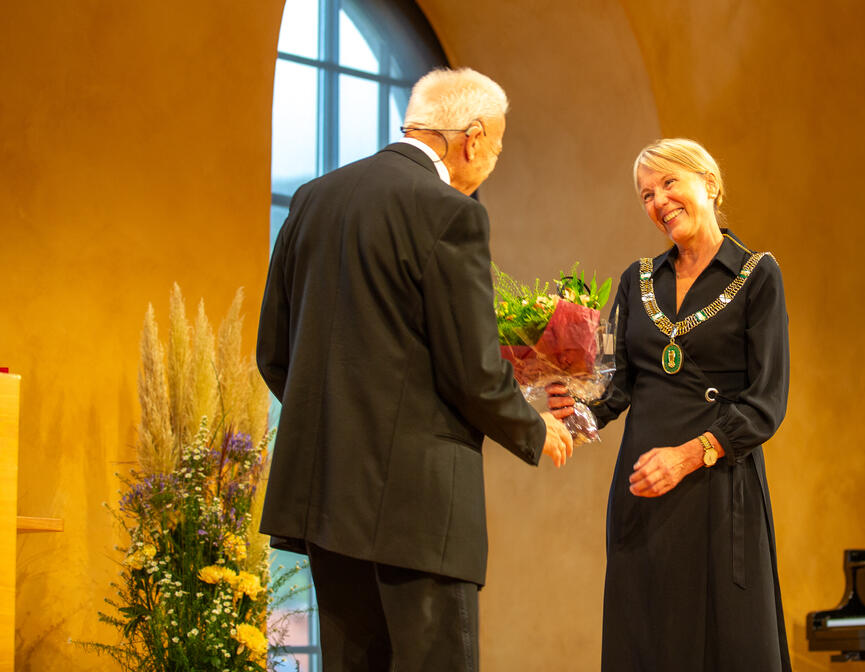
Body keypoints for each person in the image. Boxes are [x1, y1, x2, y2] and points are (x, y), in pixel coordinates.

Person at [257, 66, 573, 672]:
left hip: (326, 503)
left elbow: (274, 351)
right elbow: (471, 370)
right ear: (472, 138)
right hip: (418, 510)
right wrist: (534, 428)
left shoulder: (313, 199)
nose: (494, 160)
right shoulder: (450, 212)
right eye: (499, 146)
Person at [551, 138, 792, 670]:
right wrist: (567, 405)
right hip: (642, 488)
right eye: (645, 194)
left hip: (717, 487)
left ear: (709, 183)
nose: (658, 201)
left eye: (668, 184)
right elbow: (612, 391)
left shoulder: (757, 276)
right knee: (645, 639)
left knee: (723, 644)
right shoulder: (636, 282)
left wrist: (686, 456)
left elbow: (766, 404)